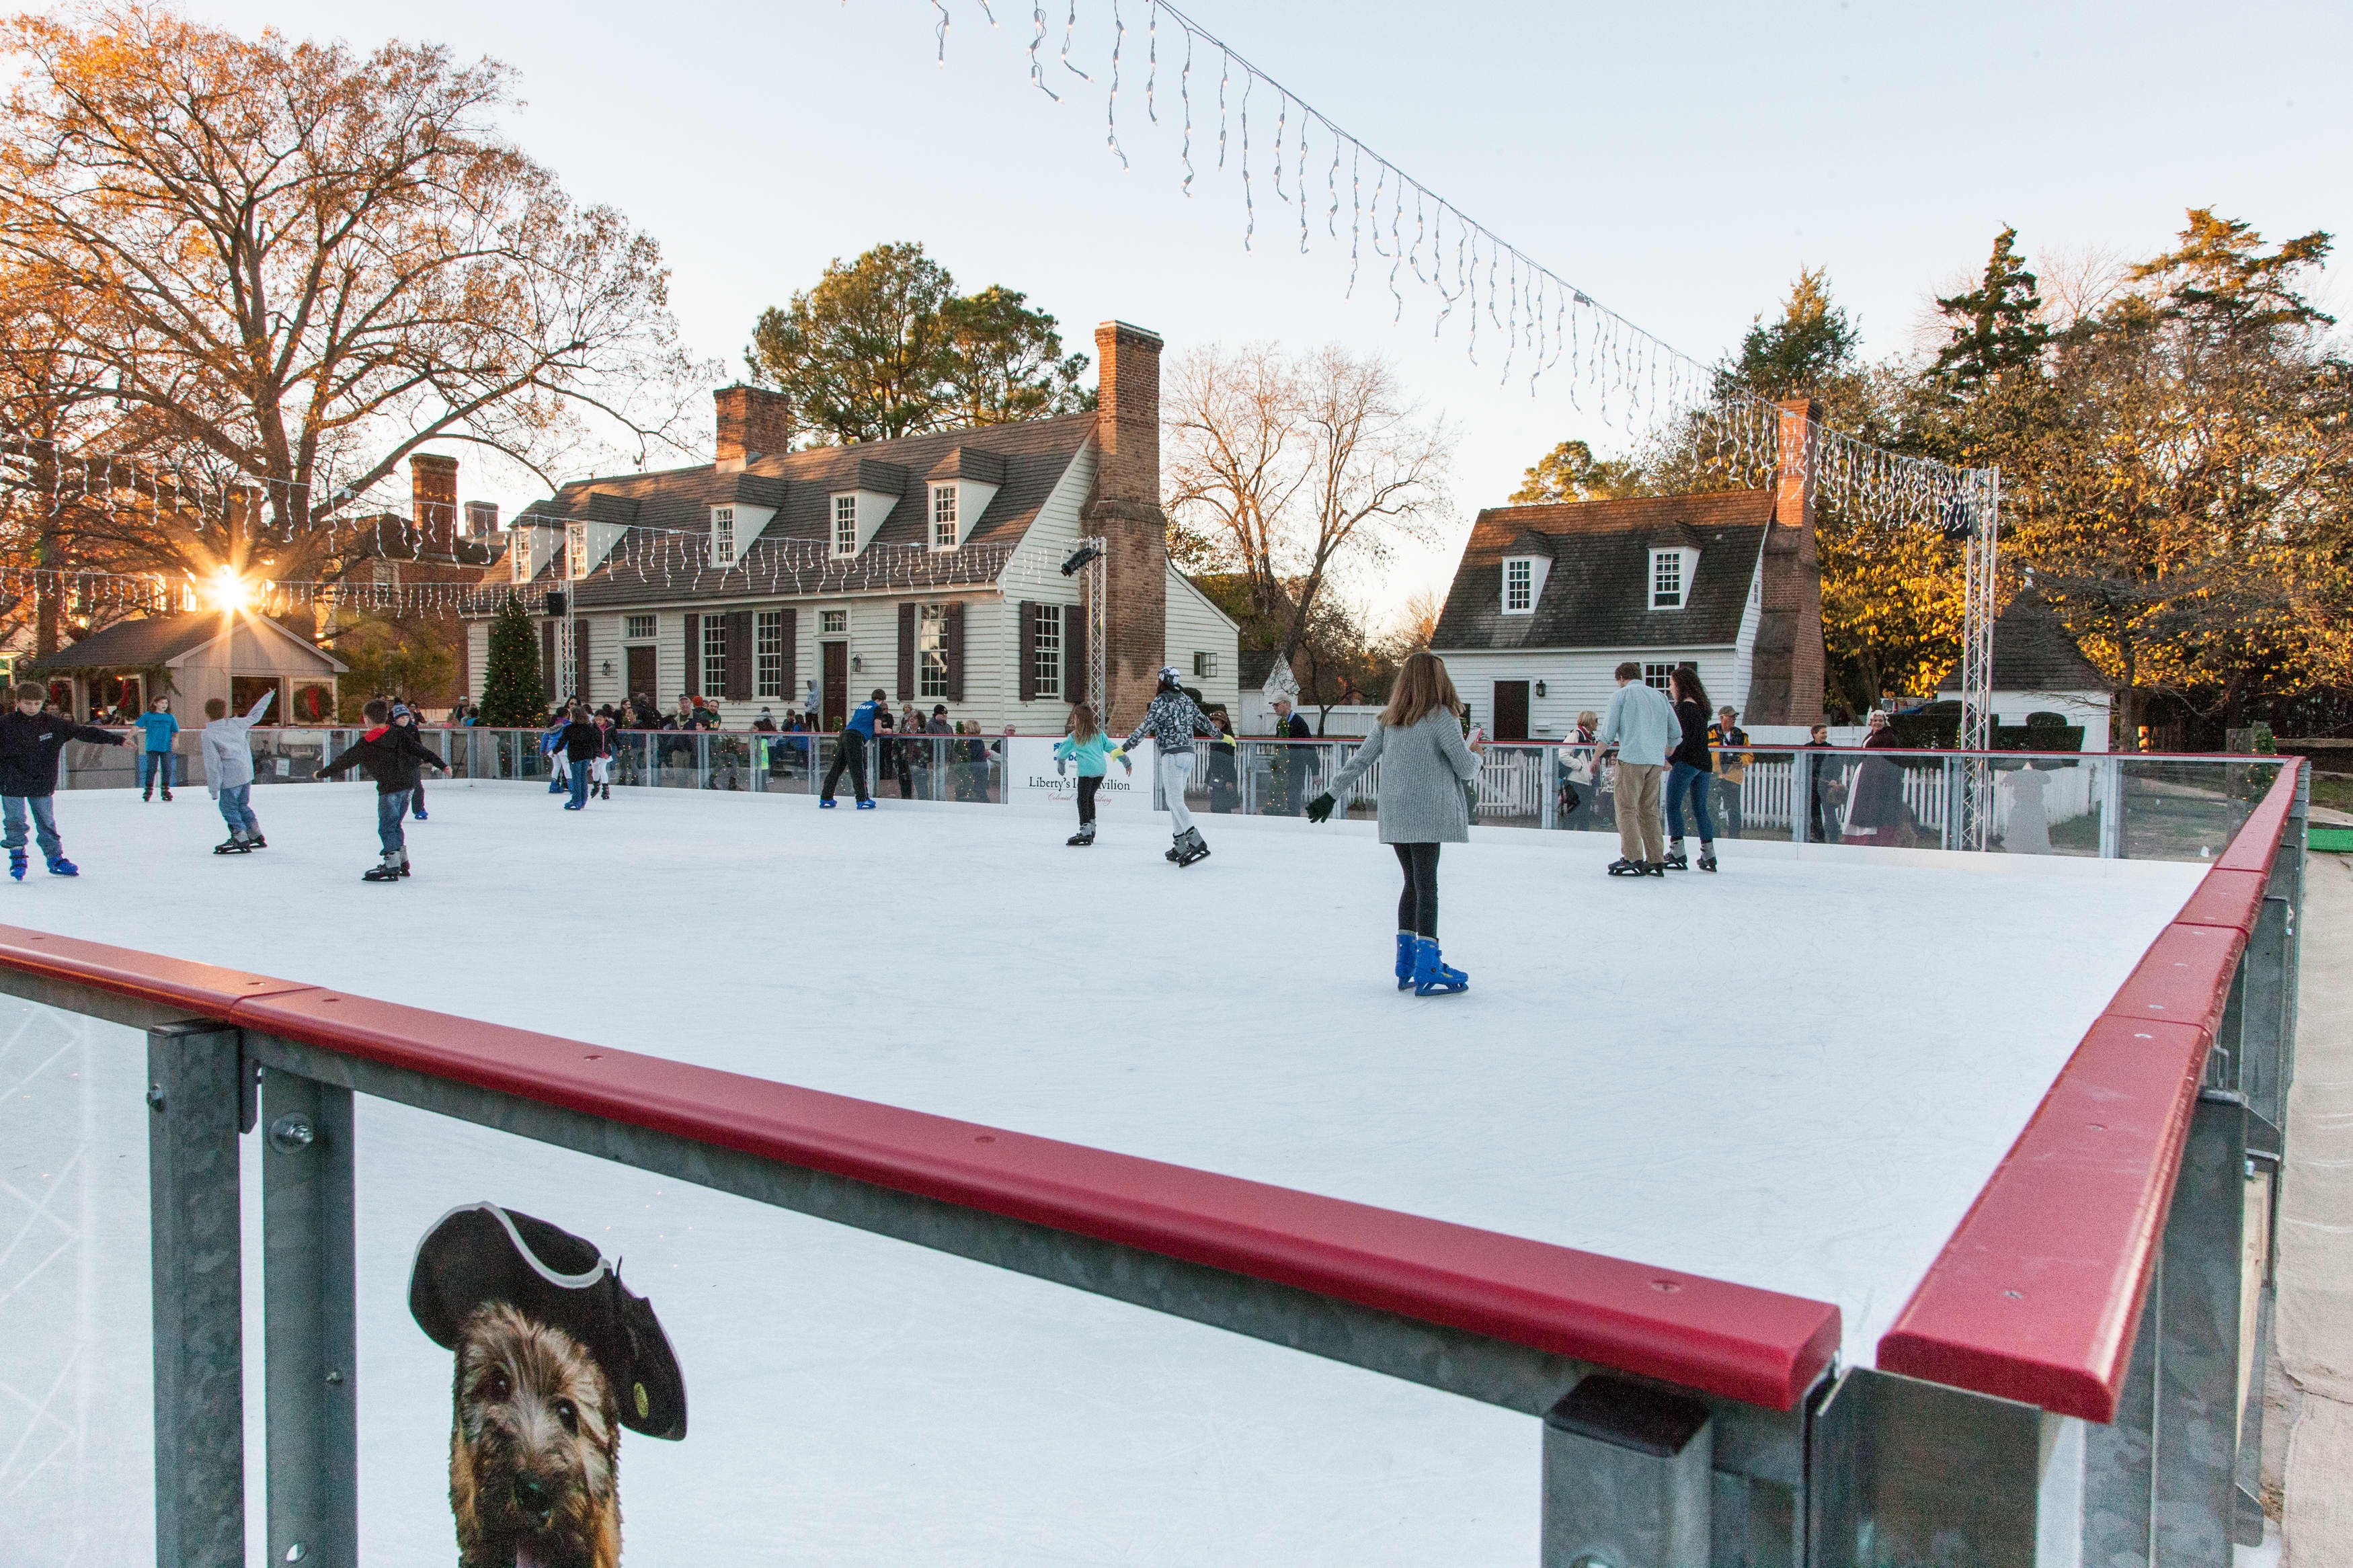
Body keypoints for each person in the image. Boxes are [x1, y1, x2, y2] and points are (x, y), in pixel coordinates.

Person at [1306, 651, 1482, 995]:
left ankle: (1406, 962)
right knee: (1427, 886)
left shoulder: (1389, 720)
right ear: (1438, 680)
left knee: (1411, 885)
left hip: (1397, 815)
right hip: (1428, 814)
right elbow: (1465, 769)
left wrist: (1331, 794)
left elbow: (1359, 761)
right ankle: (1429, 963)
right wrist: (1475, 753)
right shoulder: (1442, 718)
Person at [314, 697, 446, 882]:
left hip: (390, 789)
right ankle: (402, 860)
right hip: (408, 787)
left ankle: (391, 863)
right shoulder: (398, 734)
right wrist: (442, 765)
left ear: (367, 719)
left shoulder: (367, 742)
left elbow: (344, 761)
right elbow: (421, 750)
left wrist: (322, 773)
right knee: (395, 824)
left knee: (386, 827)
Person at [0, 682, 124, 878]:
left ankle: (55, 857)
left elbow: (83, 732)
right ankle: (17, 855)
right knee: (15, 820)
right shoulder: (5, 724)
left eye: (36, 703)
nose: (32, 708)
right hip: (11, 780)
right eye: (27, 703)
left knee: (46, 821)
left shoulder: (53, 724)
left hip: (41, 780)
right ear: (17, 702)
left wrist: (118, 740)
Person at [1121, 667, 1220, 865]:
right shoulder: (1185, 698)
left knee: (1174, 802)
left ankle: (1196, 840)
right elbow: (1202, 720)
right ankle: (1180, 844)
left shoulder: (1162, 701)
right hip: (1189, 755)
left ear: (1162, 681)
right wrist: (1220, 735)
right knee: (1176, 800)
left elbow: (1147, 725)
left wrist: (1127, 746)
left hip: (1172, 756)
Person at [1593, 662, 1680, 876]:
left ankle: (1632, 857)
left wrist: (1595, 758)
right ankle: (1656, 859)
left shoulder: (1621, 696)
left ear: (1622, 678)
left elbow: (1608, 734)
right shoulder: (1659, 697)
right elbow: (1676, 733)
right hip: (1655, 761)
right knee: (1648, 810)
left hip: (1632, 758)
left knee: (1626, 809)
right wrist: (1666, 752)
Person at [202, 689, 276, 853]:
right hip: (246, 773)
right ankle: (255, 833)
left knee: (228, 807)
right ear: (225, 711)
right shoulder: (236, 723)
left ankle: (240, 836)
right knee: (243, 804)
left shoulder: (209, 734)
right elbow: (256, 715)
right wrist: (267, 696)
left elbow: (213, 764)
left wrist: (214, 789)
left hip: (230, 777)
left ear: (207, 713)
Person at [1662, 666, 1718, 872]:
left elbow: (1682, 739)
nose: (1670, 688)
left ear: (1681, 686)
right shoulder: (1702, 708)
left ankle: (1677, 852)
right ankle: (1709, 854)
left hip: (1687, 763)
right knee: (1700, 809)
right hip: (1704, 763)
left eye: (1672, 684)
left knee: (1673, 806)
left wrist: (1672, 760)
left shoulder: (1684, 709)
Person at [1052, 704, 1131, 846]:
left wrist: (1061, 767)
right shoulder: (1099, 733)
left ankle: (1085, 830)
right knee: (1089, 798)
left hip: (1087, 772)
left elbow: (1062, 754)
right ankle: (1092, 828)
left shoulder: (1075, 736)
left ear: (1078, 719)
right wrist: (1126, 761)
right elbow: (1112, 748)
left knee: (1082, 800)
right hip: (1100, 772)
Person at [1841, 710, 1909, 847]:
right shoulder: (1872, 735)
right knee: (1862, 804)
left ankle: (1874, 839)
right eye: (1875, 721)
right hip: (1867, 775)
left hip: (1879, 778)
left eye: (1880, 721)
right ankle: (1860, 837)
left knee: (1874, 805)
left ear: (1885, 722)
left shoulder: (1888, 736)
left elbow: (1889, 759)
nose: (1877, 723)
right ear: (1870, 722)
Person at [820, 687, 885, 809]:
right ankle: (862, 799)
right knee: (858, 769)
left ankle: (826, 797)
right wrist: (887, 730)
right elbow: (877, 729)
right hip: (856, 737)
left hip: (845, 734)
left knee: (836, 768)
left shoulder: (861, 706)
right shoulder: (877, 708)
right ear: (881, 700)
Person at [551, 702, 604, 811]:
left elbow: (562, 741)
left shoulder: (570, 729)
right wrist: (594, 755)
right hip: (587, 756)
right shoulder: (589, 729)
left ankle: (576, 800)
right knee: (582, 778)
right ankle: (583, 799)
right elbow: (593, 743)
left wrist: (555, 751)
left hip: (576, 756)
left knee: (576, 779)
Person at [1708, 706, 1750, 840]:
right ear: (1721, 717)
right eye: (1730, 716)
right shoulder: (1709, 733)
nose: (1733, 719)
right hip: (1714, 776)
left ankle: (1734, 838)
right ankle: (1715, 837)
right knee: (1713, 809)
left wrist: (1740, 761)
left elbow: (1749, 755)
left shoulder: (1741, 735)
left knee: (1734, 810)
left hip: (1733, 777)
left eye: (1735, 717)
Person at [1267, 696, 1313, 815]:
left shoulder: (1299, 723)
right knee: (1280, 798)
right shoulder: (1281, 723)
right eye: (1274, 705)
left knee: (1293, 799)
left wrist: (1315, 771)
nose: (1274, 707)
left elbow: (1310, 746)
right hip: (1284, 768)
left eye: (1277, 704)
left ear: (1287, 704)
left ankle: (1294, 822)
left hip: (1296, 768)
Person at [390, 702, 434, 820]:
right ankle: (394, 810)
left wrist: (423, 756)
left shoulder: (413, 728)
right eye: (401, 718)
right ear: (396, 718)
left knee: (417, 787)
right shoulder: (391, 730)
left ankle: (419, 809)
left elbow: (418, 744)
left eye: (406, 717)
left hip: (412, 762)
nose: (405, 720)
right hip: (398, 764)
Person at [1801, 721, 1842, 843]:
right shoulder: (1807, 748)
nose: (1825, 735)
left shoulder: (1830, 749)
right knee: (1814, 812)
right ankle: (1819, 836)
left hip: (1826, 785)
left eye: (1826, 733)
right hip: (1812, 785)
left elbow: (1838, 766)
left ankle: (1834, 838)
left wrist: (1834, 778)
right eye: (1822, 733)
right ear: (1815, 734)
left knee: (1829, 812)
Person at [135, 696, 180, 802]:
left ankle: (165, 789)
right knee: (151, 769)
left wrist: (176, 741)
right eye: (162, 703)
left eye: (166, 703)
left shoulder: (170, 717)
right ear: (155, 704)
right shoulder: (149, 716)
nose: (164, 705)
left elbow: (176, 732)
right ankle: (148, 789)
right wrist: (126, 738)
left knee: (167, 769)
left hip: (166, 747)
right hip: (152, 747)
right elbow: (137, 726)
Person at [1205, 708, 1240, 813]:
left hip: (1226, 778)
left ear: (1223, 723)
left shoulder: (1228, 739)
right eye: (1212, 720)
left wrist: (1229, 780)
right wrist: (1207, 781)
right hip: (1217, 778)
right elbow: (1212, 762)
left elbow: (1230, 761)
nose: (1213, 722)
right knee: (1215, 807)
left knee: (1225, 807)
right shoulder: (1214, 739)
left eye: (1216, 720)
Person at [590, 709, 619, 800]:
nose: (598, 722)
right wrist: (597, 754)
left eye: (600, 719)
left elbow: (616, 739)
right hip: (595, 753)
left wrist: (620, 748)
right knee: (595, 770)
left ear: (605, 719)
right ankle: (596, 785)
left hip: (606, 752)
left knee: (602, 769)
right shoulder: (592, 728)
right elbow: (592, 742)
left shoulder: (610, 727)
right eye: (597, 719)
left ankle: (606, 789)